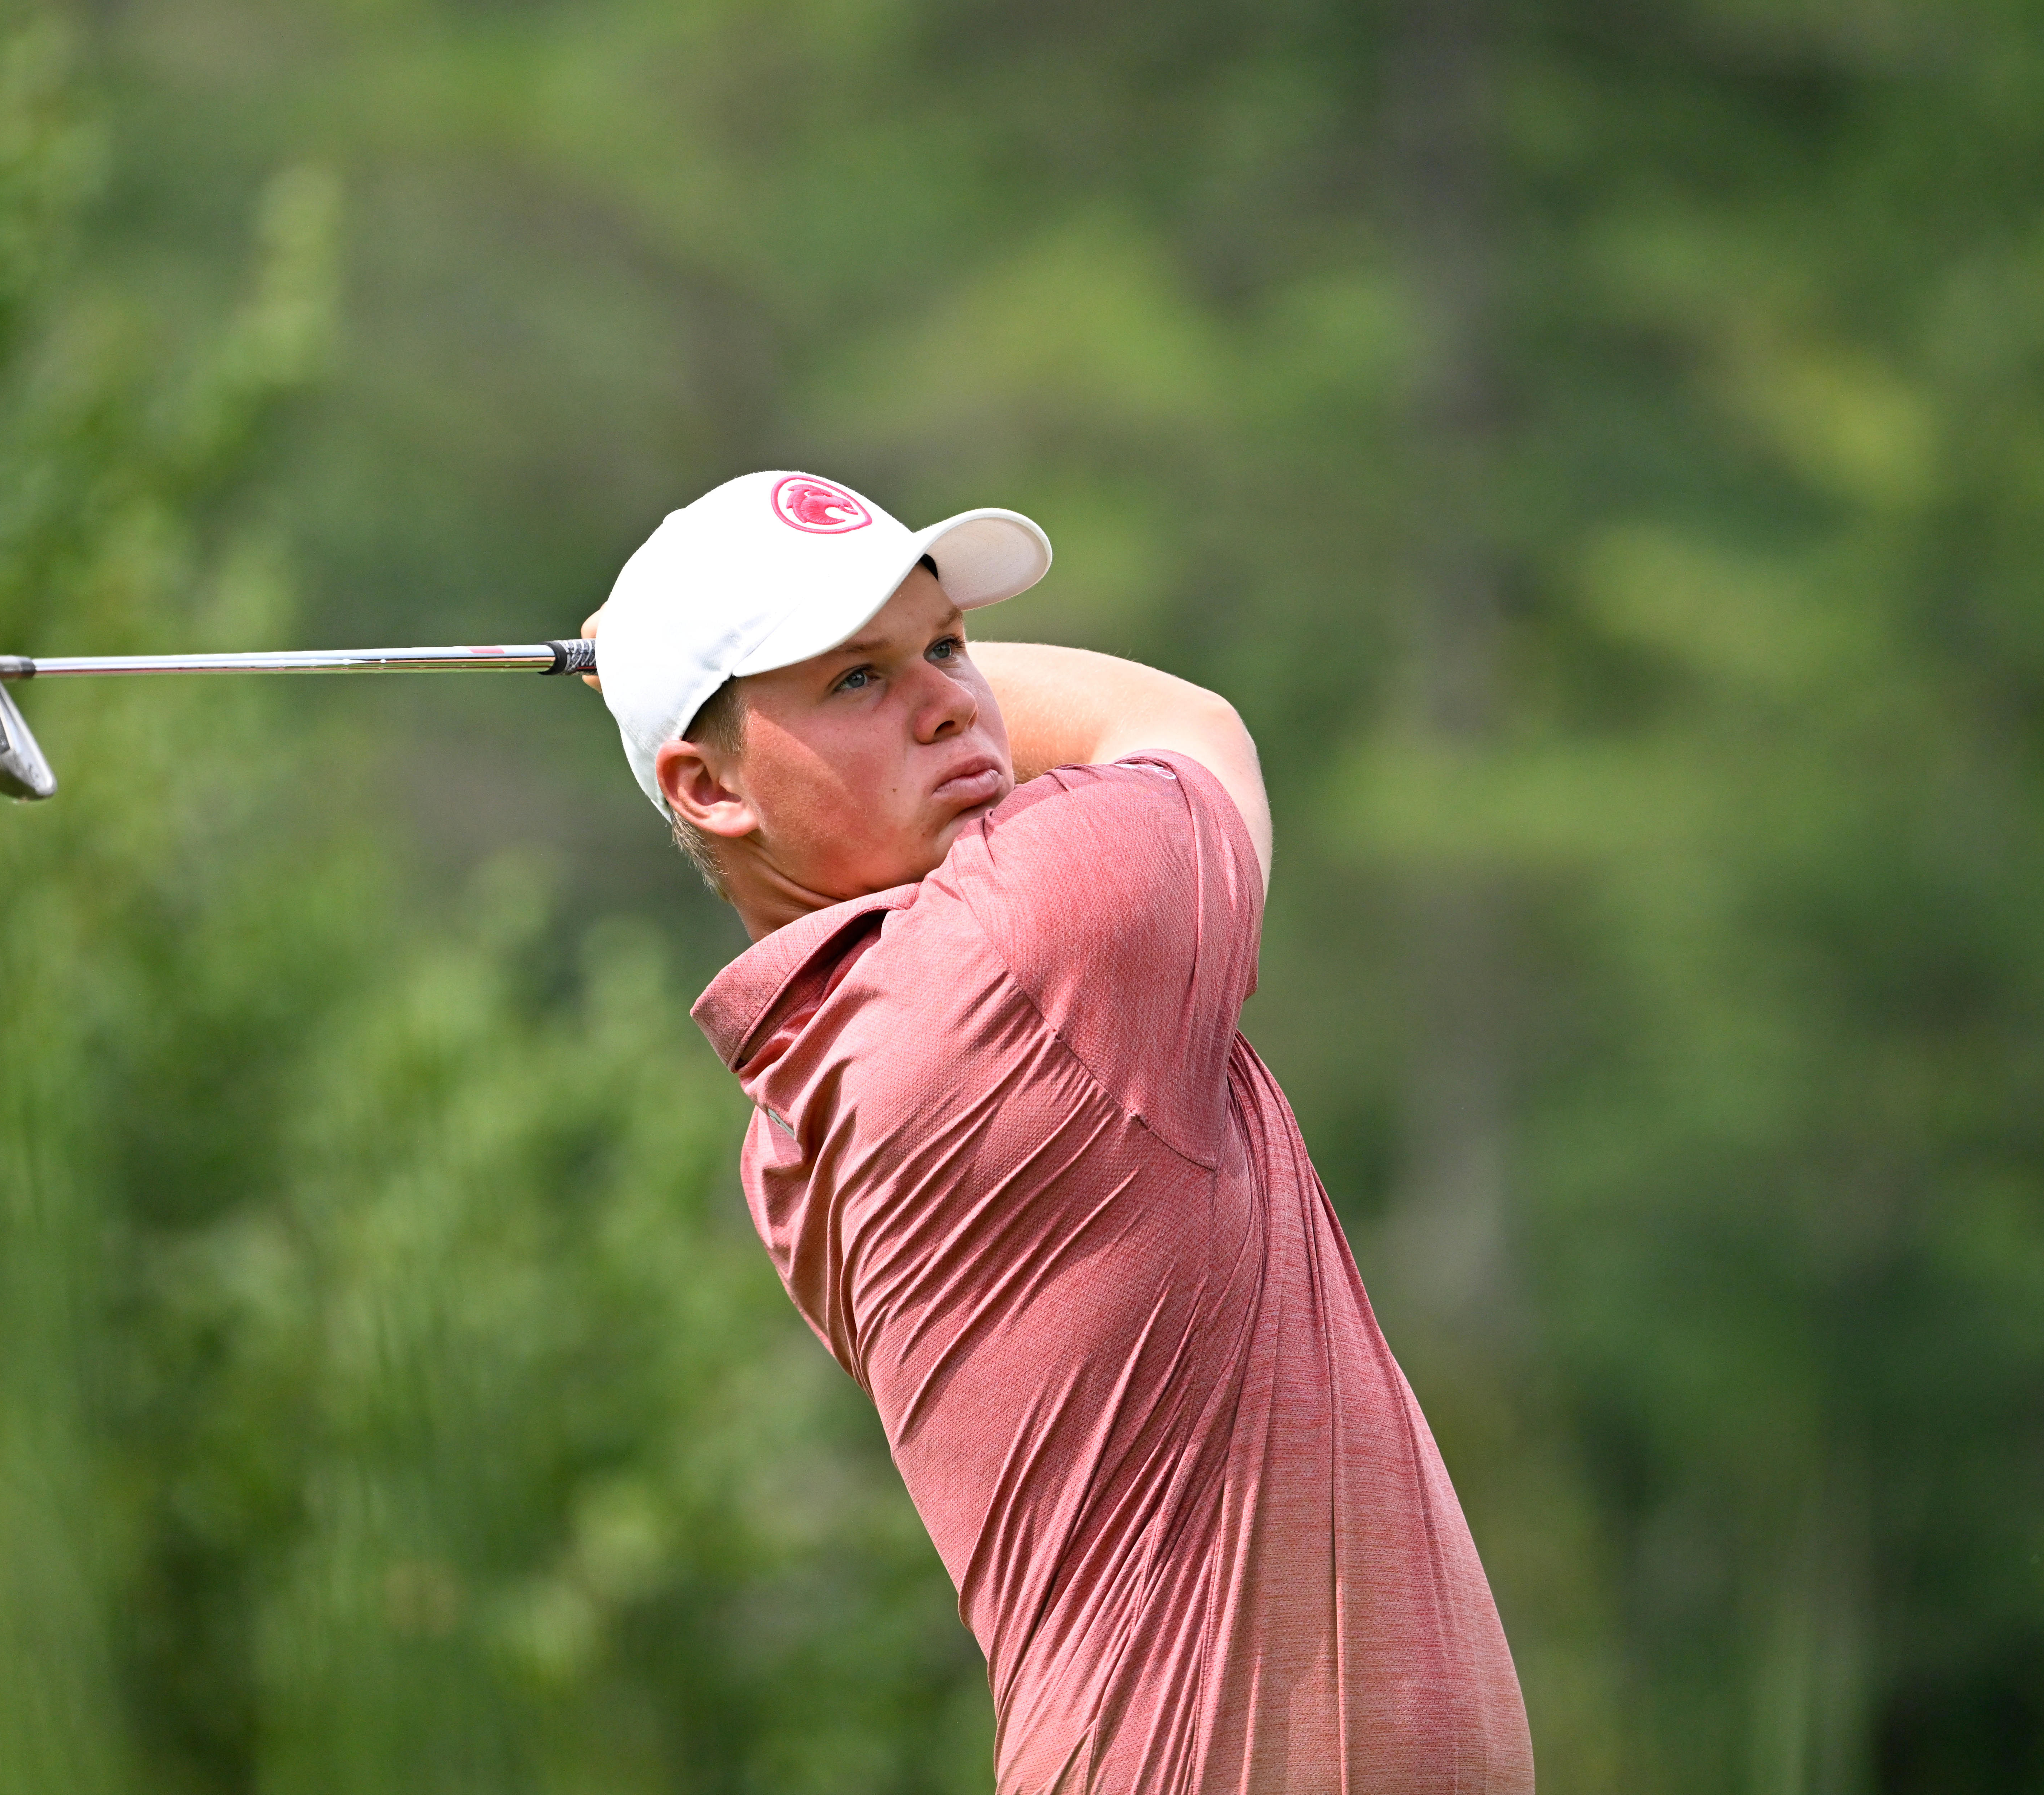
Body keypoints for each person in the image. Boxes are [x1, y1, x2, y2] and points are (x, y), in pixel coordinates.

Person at [585, 471, 1534, 1793]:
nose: (950, 702)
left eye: (947, 644)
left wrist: (721, 703)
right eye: (856, 682)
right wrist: (669, 680)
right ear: (712, 790)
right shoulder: (1035, 931)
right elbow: (1173, 718)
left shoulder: (796, 1114)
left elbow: (940, 735)